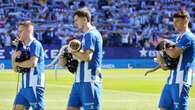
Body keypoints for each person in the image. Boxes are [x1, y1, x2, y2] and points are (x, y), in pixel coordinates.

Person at [59, 7, 103, 110]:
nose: (75, 23)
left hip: (89, 81)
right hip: (79, 81)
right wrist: (67, 56)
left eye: (77, 20)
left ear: (85, 19)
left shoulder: (91, 34)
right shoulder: (85, 36)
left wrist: (72, 51)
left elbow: (87, 57)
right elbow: (79, 57)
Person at [158, 11, 195, 110]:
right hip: (171, 80)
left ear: (186, 21)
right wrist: (162, 62)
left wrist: (164, 44)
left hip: (182, 79)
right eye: (173, 21)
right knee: (163, 107)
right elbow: (170, 62)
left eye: (177, 21)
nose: (174, 24)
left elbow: (174, 54)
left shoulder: (188, 37)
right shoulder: (178, 38)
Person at [12, 21, 45, 110]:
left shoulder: (35, 44)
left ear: (28, 31)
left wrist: (17, 63)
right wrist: (14, 58)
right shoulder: (23, 47)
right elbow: (15, 69)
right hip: (24, 87)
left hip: (34, 85)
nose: (18, 34)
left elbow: (33, 63)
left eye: (20, 31)